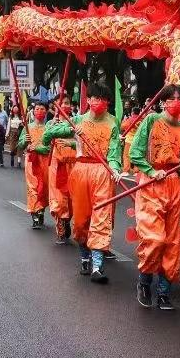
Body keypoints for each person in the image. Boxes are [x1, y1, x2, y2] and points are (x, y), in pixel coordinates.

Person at [37, 84, 121, 280]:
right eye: (94, 98)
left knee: (101, 217)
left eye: (102, 99)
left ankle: (97, 266)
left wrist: (115, 168)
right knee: (82, 221)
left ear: (107, 102)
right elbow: (47, 136)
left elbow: (114, 151)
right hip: (81, 170)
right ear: (88, 100)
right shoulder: (77, 120)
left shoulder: (113, 122)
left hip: (103, 172)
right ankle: (85, 257)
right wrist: (64, 128)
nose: (98, 102)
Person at [127, 84, 180, 311]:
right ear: (163, 102)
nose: (176, 102)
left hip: (174, 185)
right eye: (171, 98)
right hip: (151, 184)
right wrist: (151, 170)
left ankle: (164, 292)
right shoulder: (151, 121)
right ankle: (145, 282)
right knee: (154, 238)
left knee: (172, 241)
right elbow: (135, 152)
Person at [46, 95, 78, 244]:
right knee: (59, 199)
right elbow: (45, 141)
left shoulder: (76, 121)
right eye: (61, 103)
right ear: (55, 106)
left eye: (67, 103)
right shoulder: (50, 124)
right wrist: (53, 128)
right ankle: (61, 227)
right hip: (57, 165)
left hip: (74, 164)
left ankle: (67, 220)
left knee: (72, 199)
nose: (65, 105)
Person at [18, 102, 52, 228]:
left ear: (46, 111)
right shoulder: (28, 127)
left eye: (42, 109)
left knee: (44, 187)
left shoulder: (49, 128)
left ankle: (40, 209)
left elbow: (50, 147)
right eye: (37, 109)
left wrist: (37, 148)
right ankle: (35, 215)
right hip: (31, 161)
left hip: (45, 161)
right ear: (33, 111)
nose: (39, 111)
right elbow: (20, 145)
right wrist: (24, 141)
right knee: (33, 187)